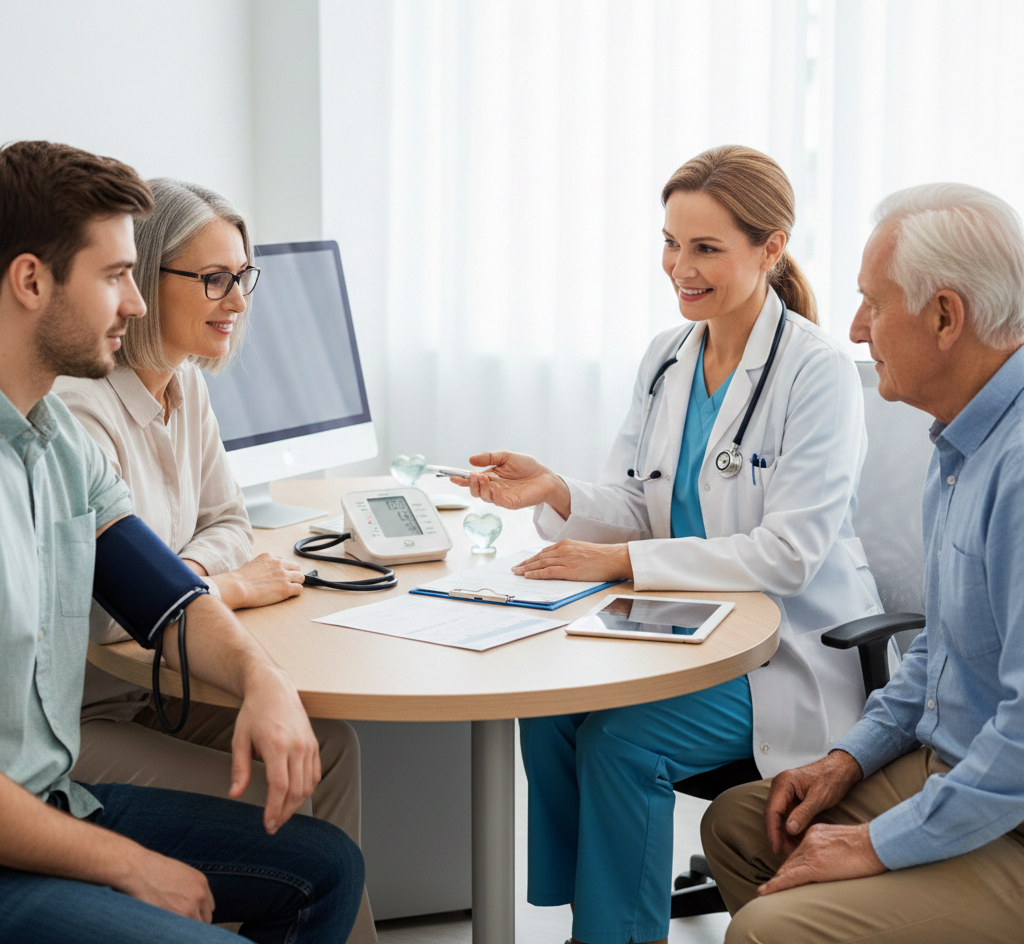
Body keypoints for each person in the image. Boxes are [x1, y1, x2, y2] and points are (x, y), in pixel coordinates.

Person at [454, 145, 882, 944]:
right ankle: (592, 914)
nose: (680, 268)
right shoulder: (668, 357)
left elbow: (788, 554)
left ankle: (613, 933)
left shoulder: (816, 371)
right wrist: (556, 491)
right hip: (678, 623)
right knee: (545, 711)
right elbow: (639, 502)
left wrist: (620, 562)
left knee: (621, 742)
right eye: (671, 243)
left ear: (771, 248)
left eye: (706, 248)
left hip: (778, 650)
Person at [0, 139, 363, 943]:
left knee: (329, 865)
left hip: (53, 797)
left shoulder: (57, 441)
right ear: (31, 281)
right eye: (114, 276)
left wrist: (263, 679)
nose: (133, 305)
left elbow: (165, 597)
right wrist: (124, 862)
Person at [701, 182, 1024, 944]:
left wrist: (876, 843)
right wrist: (848, 758)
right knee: (743, 826)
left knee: (766, 930)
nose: (853, 328)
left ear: (945, 316)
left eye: (873, 304)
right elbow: (940, 650)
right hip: (951, 765)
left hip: (1008, 812)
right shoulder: (961, 443)